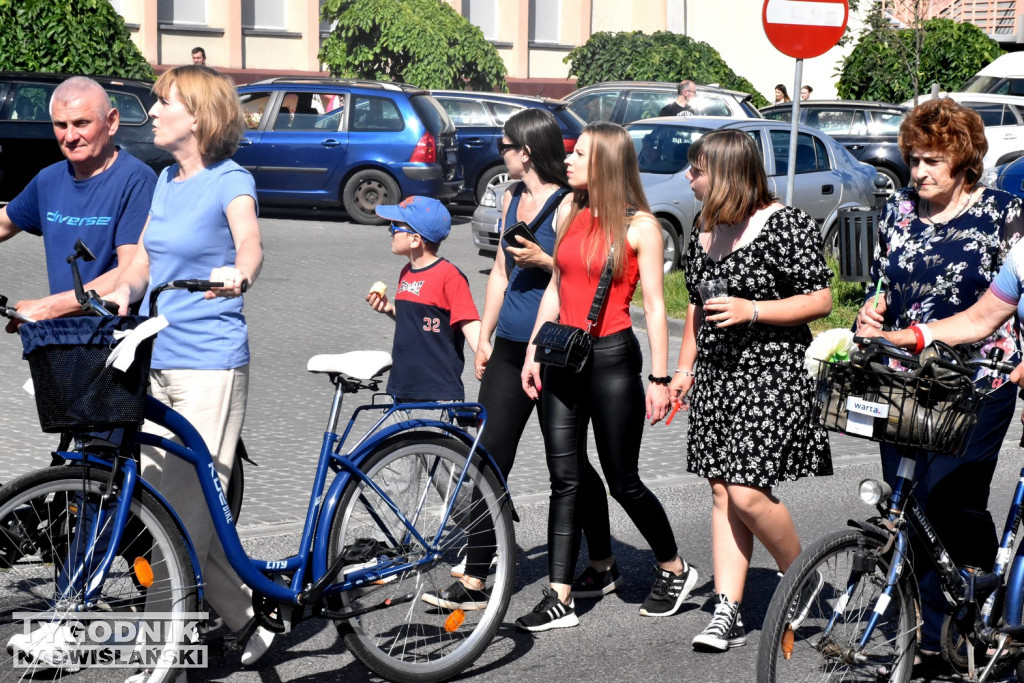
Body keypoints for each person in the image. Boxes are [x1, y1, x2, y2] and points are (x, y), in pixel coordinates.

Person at [104, 64, 272, 672]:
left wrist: (239, 275)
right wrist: (120, 293)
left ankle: (159, 655)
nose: (152, 113)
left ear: (197, 115)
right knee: (179, 509)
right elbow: (144, 259)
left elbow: (250, 244)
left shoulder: (232, 179)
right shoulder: (164, 180)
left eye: (163, 103)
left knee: (178, 520)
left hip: (210, 364)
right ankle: (250, 620)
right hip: (157, 359)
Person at [854, 97, 1024, 677]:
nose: (919, 171)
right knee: (908, 502)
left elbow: (1001, 304)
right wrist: (869, 317)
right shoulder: (899, 210)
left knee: (950, 498)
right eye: (914, 159)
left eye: (932, 160)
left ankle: (978, 603)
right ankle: (924, 636)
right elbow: (881, 282)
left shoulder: (1005, 213)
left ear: (964, 160)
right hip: (903, 373)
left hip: (982, 377)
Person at [421, 109, 613, 611]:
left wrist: (546, 261)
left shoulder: (572, 203)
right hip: (509, 344)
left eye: (505, 145)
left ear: (526, 150)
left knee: (567, 464)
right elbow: (501, 274)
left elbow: (578, 273)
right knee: (489, 456)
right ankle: (476, 576)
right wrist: (482, 337)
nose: (500, 151)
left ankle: (602, 560)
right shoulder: (509, 197)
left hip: (554, 346)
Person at [516, 121, 697, 632]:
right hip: (561, 356)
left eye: (580, 154)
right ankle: (560, 596)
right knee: (565, 477)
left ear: (607, 163)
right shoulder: (571, 210)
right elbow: (555, 286)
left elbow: (657, 309)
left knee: (622, 480)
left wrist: (660, 379)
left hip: (613, 358)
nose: (568, 160)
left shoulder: (641, 227)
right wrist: (533, 350)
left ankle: (673, 567)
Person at [669, 129, 833, 653]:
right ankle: (727, 608)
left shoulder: (785, 224)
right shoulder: (705, 225)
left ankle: (802, 577)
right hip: (718, 374)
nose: (688, 179)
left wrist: (753, 310)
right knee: (721, 489)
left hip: (772, 371)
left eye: (696, 171)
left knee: (747, 492)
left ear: (726, 174)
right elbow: (696, 305)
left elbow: (822, 299)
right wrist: (683, 370)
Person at [0, 76, 154, 330]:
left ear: (111, 122)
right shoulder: (49, 179)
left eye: (82, 123)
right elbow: (4, 223)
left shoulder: (136, 181)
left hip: (112, 341)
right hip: (61, 339)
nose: (70, 136)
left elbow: (130, 271)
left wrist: (48, 307)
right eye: (61, 124)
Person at [365, 195, 481, 402]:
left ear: (415, 240)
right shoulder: (406, 272)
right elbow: (416, 319)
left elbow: (469, 321)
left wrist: (483, 353)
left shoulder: (449, 276)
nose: (389, 231)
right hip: (401, 387)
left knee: (434, 436)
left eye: (395, 227)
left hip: (437, 392)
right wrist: (390, 309)